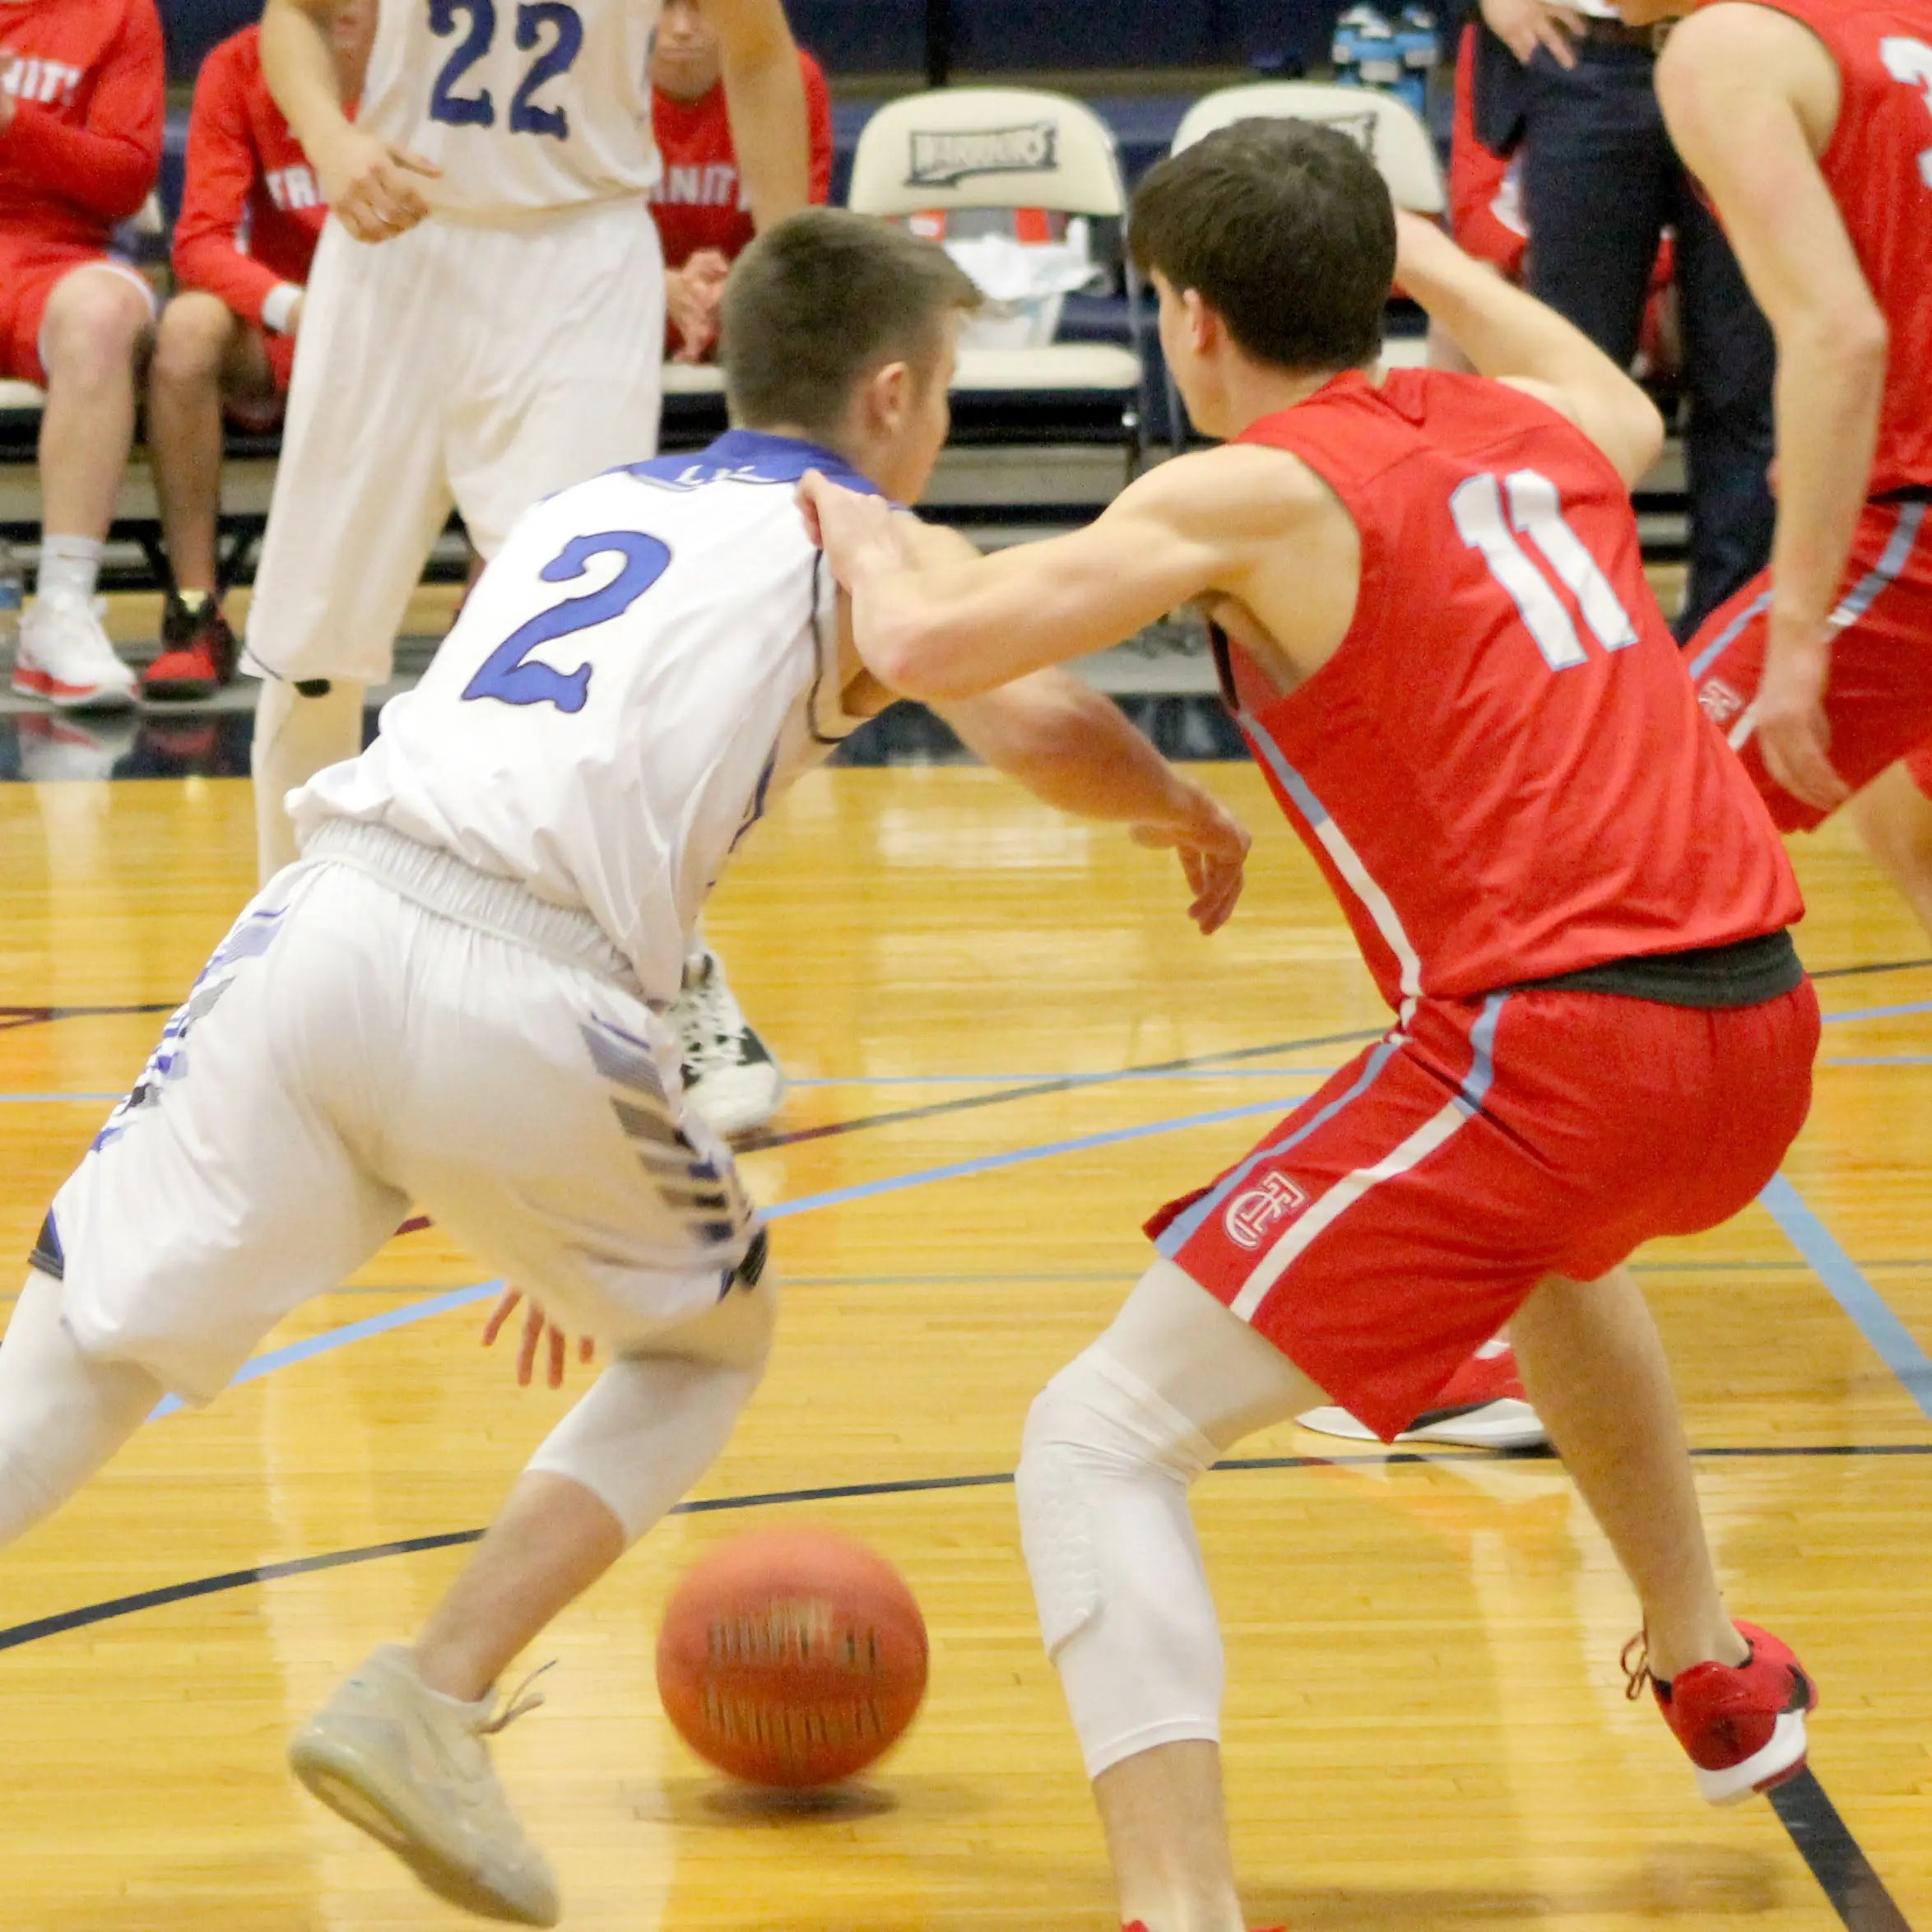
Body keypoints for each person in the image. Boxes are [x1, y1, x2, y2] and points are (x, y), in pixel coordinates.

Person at [0, 208, 1250, 1928]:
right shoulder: (864, 532)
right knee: (708, 1341)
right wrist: (1177, 801)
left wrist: (542, 1190)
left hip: (318, 923)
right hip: (524, 981)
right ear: (891, 395)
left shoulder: (587, 502)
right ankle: (434, 1693)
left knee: (75, 1355)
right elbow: (1037, 720)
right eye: (945, 391)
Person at [806, 122, 1822, 1932]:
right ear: (1375, 287)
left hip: (1559, 1050)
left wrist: (866, 537)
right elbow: (1623, 402)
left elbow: (946, 656)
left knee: (1098, 1436)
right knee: (1555, 1256)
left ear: (1186, 320)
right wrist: (1431, 266)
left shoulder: (1247, 493)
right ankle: (1704, 1657)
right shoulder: (1531, 433)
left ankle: (1178, 1907)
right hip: (1758, 1019)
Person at [241, 0, 810, 885]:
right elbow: (298, 14)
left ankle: (607, 953)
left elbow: (760, 53)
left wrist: (787, 269)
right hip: (393, 246)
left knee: (582, 646)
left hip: (579, 259)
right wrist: (329, 138)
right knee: (312, 643)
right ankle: (282, 928)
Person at [1609, 0, 1932, 940]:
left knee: (1631, 817)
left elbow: (1839, 333)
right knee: (1905, 819)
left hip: (1911, 515)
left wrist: (1798, 633)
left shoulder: (1722, 48)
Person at [643, 0, 834, 1134]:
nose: (677, 24)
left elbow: (789, 239)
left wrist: (740, 294)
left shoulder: (777, 69)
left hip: (703, 336)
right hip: (545, 306)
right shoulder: (583, 63)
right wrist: (641, 282)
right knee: (314, 667)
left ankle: (680, 973)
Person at [1472, 0, 1775, 639]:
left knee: (1746, 384)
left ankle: (1730, 644)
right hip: (1586, 56)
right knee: (1571, 385)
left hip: (1745, 60)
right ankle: (1572, 634)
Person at [141, 0, 373, 703]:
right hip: (288, 323)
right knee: (185, 330)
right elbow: (200, 243)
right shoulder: (239, 64)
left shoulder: (436, 73)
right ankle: (193, 610)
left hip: (406, 327)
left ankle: (477, 616)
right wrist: (296, 309)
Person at [0, 0, 163, 710]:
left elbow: (126, 181)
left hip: (57, 258)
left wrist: (14, 122)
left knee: (106, 312)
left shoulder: (120, 13)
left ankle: (61, 609)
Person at [649, 0, 832, 363]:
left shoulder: (796, 84)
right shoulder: (592, 94)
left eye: (699, 6)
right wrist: (658, 288)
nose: (683, 28)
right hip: (622, 330)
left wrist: (742, 291)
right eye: (665, 5)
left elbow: (798, 251)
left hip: (758, 340)